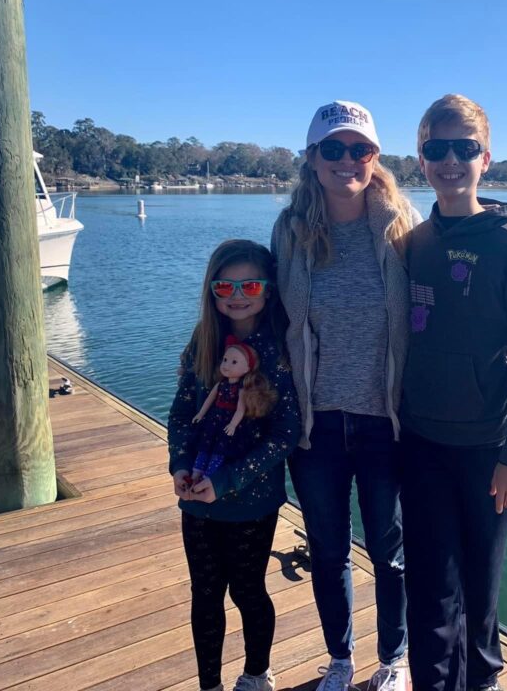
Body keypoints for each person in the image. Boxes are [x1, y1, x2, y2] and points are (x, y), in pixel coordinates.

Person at [398, 94, 507, 691]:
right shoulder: (413, 242)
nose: (450, 161)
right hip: (419, 442)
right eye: (436, 149)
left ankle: (483, 680)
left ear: (485, 159)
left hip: (488, 450)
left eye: (464, 148)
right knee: (430, 589)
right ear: (421, 160)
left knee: (480, 590)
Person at [271, 100, 420, 691]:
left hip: (384, 423)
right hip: (317, 426)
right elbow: (267, 314)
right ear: (311, 160)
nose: (346, 160)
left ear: (375, 158)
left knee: (391, 555)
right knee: (329, 552)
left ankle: (395, 659)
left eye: (359, 149)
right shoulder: (290, 230)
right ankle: (339, 660)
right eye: (332, 149)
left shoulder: (402, 225)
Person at [168, 239, 301, 691]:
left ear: (268, 289)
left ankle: (256, 675)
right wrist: (180, 465)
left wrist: (227, 481)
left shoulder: (281, 352)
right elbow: (182, 413)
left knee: (247, 591)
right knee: (205, 596)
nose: (237, 295)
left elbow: (285, 435)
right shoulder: (202, 343)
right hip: (197, 502)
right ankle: (210, 684)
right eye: (225, 285)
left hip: (251, 503)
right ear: (212, 290)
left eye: (249, 284)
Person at [190, 339, 277, 481]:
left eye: (234, 362)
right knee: (205, 445)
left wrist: (233, 425)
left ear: (247, 368)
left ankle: (209, 476)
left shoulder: (241, 390)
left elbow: (240, 410)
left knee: (219, 449)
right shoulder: (220, 384)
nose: (226, 365)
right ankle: (196, 473)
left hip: (227, 423)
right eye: (225, 360)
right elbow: (209, 400)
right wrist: (200, 413)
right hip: (213, 419)